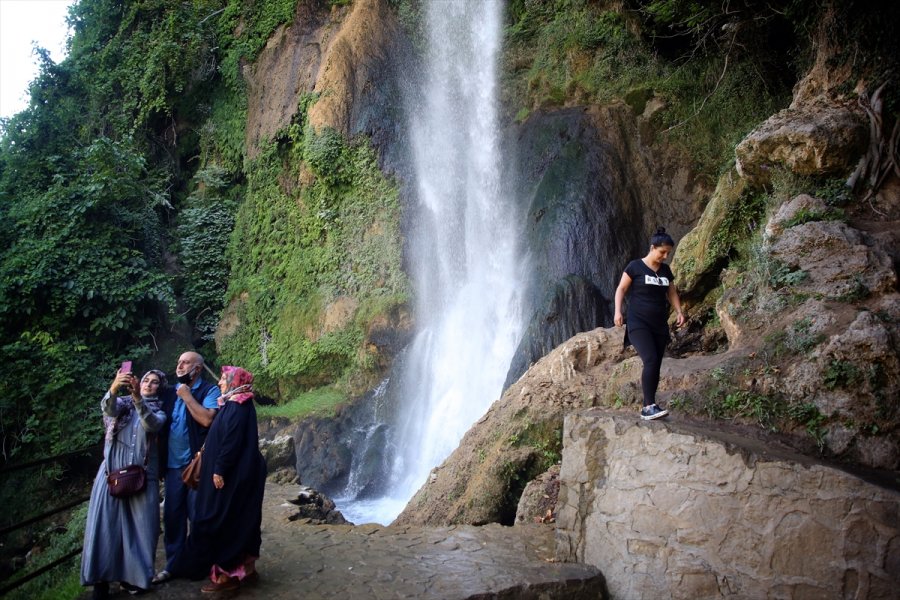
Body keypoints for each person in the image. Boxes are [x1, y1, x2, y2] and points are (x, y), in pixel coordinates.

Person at [171, 366, 267, 593]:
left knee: (219, 519)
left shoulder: (237, 405)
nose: (220, 383)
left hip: (228, 477)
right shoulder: (235, 403)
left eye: (224, 379)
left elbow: (231, 441)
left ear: (235, 382)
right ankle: (246, 570)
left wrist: (219, 470)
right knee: (240, 518)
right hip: (236, 475)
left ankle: (226, 576)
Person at [81, 369, 168, 599]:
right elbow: (108, 408)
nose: (149, 384)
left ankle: (135, 579)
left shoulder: (158, 409)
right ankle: (101, 580)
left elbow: (151, 424)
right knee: (104, 527)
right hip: (111, 474)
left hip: (142, 475)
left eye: (155, 382)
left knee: (142, 529)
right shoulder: (121, 403)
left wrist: (139, 399)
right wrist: (114, 387)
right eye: (146, 380)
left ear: (160, 387)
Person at [153, 351, 221, 584]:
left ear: (198, 368)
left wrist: (187, 396)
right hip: (172, 467)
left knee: (199, 517)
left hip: (197, 466)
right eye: (178, 362)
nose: (179, 365)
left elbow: (207, 420)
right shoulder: (169, 393)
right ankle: (173, 565)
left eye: (185, 362)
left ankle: (199, 565)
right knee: (172, 517)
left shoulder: (209, 391)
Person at [614, 227, 685, 420]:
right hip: (638, 323)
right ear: (652, 248)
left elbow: (671, 292)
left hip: (659, 324)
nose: (665, 256)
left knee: (655, 364)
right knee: (651, 359)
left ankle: (651, 404)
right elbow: (621, 289)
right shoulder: (635, 267)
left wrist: (679, 311)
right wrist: (617, 311)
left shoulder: (665, 271)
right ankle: (648, 407)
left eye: (668, 253)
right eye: (662, 252)